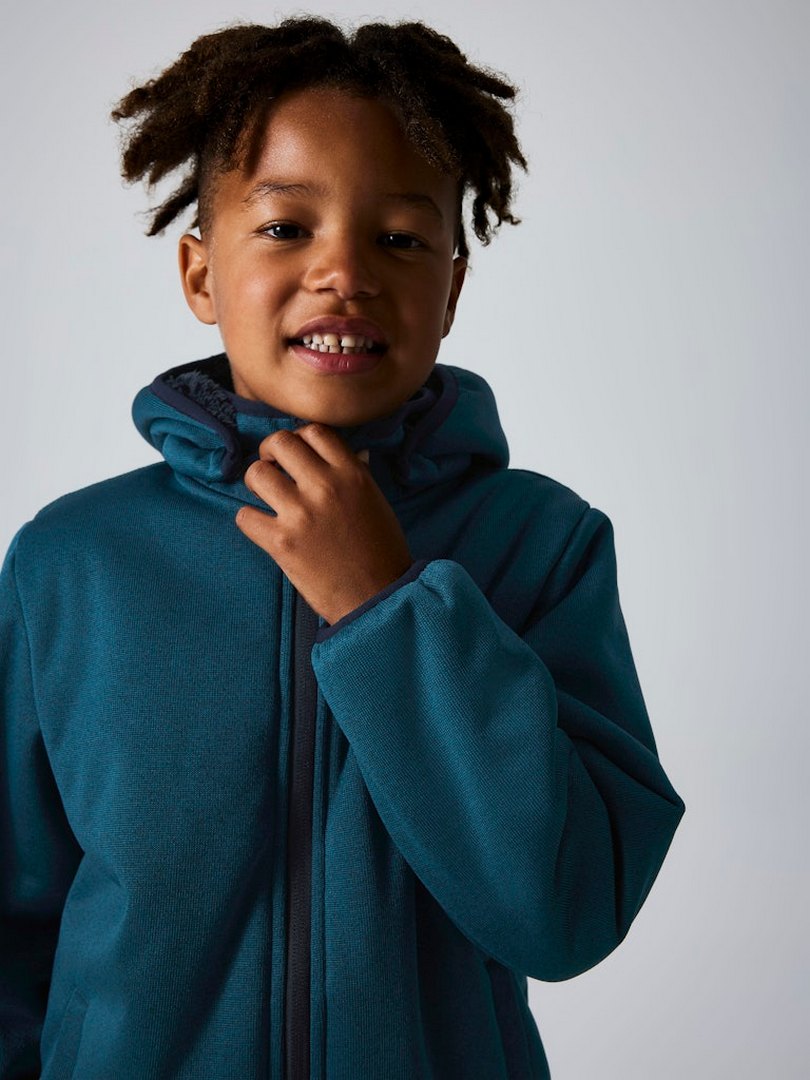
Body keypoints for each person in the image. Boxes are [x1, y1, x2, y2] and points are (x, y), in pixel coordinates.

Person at [0, 16, 686, 1080]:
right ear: (200, 276)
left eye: (401, 239)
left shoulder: (543, 547)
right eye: (285, 227)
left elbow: (568, 913)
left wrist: (387, 605)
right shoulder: (72, 563)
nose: (343, 272)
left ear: (451, 289)